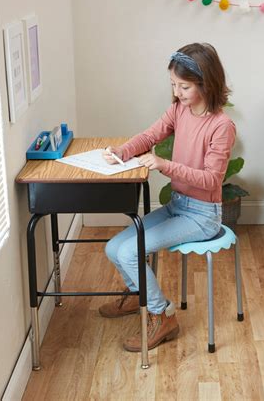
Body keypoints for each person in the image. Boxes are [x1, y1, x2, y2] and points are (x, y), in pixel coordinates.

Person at [99, 43, 235, 352]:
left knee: (130, 252)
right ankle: (140, 296)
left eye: (184, 86)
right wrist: (123, 151)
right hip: (177, 205)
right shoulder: (179, 110)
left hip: (203, 216)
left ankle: (162, 316)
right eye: (173, 84)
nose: (177, 92)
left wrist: (164, 164)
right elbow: (150, 136)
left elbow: (212, 179)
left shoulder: (221, 126)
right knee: (113, 248)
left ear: (206, 83)